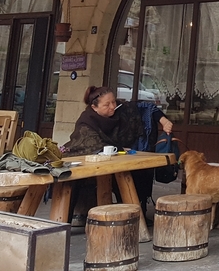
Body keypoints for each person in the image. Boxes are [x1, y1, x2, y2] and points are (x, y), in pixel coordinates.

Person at [65, 86, 173, 217]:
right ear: (94, 107)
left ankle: (132, 215)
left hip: (118, 162)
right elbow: (89, 144)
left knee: (134, 174)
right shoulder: (86, 121)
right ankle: (74, 216)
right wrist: (119, 149)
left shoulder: (120, 110)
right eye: (107, 104)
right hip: (90, 165)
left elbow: (146, 107)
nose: (112, 106)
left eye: (113, 102)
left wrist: (164, 121)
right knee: (76, 181)